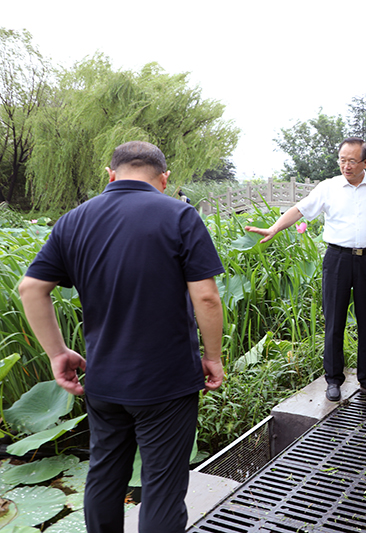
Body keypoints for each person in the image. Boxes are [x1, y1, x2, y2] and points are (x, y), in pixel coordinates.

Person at [19, 141, 225, 533]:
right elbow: (207, 297)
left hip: (104, 380)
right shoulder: (180, 215)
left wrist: (58, 353)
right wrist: (212, 357)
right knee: (163, 488)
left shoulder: (73, 220)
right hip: (167, 382)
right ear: (164, 179)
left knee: (104, 475)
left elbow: (31, 289)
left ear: (110, 175)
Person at [245, 137, 366, 403]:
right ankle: (334, 380)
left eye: (352, 161)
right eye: (342, 160)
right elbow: (299, 210)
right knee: (334, 321)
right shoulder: (328, 187)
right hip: (337, 259)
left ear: (365, 162)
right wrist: (274, 228)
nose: (346, 166)